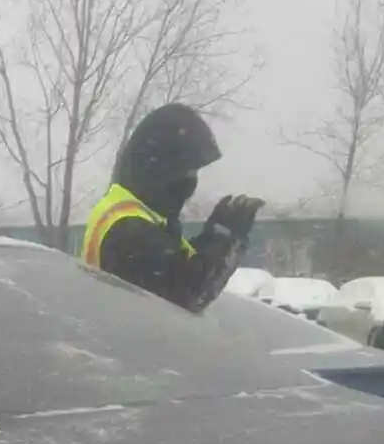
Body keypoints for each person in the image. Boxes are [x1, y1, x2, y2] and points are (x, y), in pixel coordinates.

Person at [78, 102, 264, 313]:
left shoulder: (134, 215)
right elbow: (186, 293)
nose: (192, 181)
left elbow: (176, 267)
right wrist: (227, 239)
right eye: (187, 170)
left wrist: (212, 238)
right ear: (163, 169)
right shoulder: (128, 228)